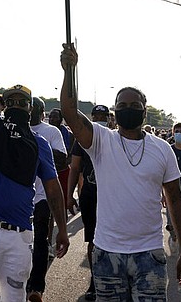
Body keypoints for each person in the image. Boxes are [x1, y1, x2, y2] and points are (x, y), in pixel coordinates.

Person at [60, 42, 181, 300]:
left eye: (134, 105)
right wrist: (69, 71)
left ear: (145, 110)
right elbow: (70, 113)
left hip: (150, 255)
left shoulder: (162, 149)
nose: (128, 109)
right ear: (114, 110)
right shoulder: (101, 140)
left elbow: (176, 202)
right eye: (122, 105)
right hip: (107, 254)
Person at [0, 32, 69, 302]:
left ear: (31, 109)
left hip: (17, 238)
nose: (17, 105)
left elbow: (53, 190)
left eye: (23, 102)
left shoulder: (39, 143)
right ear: (5, 107)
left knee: (13, 298)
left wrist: (62, 229)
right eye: (12, 102)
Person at [26, 96, 68, 301]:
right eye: (29, 107)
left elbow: (62, 159)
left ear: (42, 113)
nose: (32, 111)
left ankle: (36, 288)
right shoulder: (14, 128)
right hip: (19, 197)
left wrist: (37, 151)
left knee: (40, 239)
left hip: (42, 195)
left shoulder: (51, 132)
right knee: (20, 242)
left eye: (36, 108)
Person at [66, 104, 109, 301]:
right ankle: (95, 281)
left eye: (104, 116)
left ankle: (113, 277)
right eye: (97, 115)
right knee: (93, 240)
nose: (100, 118)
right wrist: (69, 195)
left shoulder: (114, 138)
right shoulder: (82, 140)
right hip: (90, 195)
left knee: (112, 239)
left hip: (112, 197)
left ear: (110, 119)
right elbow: (74, 168)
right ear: (90, 117)